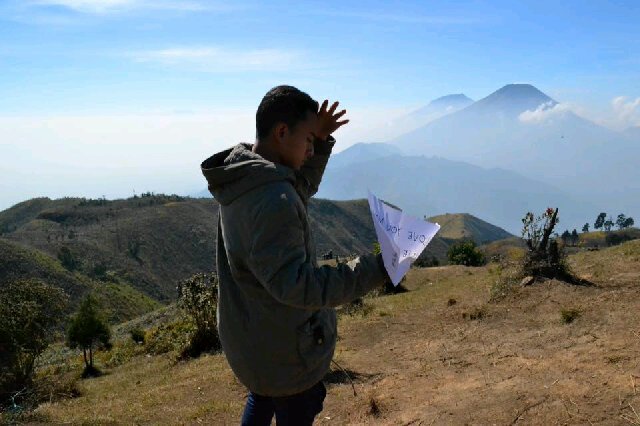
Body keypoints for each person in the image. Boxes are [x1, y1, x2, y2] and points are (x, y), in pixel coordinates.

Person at [201, 85, 389, 425]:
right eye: (308, 140)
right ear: (282, 131)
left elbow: (295, 187)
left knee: (262, 396)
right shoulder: (272, 200)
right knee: (296, 406)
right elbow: (301, 287)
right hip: (285, 351)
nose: (311, 148)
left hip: (254, 340)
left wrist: (319, 146)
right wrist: (379, 269)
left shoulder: (245, 178)